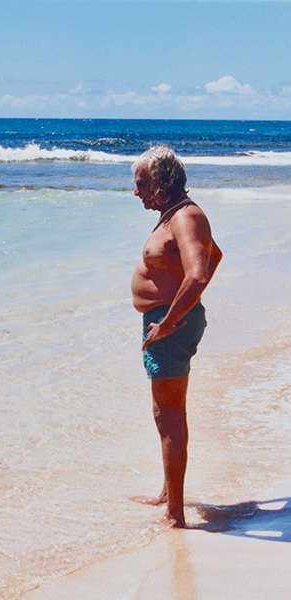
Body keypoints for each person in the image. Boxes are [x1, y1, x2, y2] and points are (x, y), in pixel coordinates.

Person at [129, 145, 223, 527]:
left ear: (162, 183)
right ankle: (169, 494)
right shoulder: (176, 216)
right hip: (166, 321)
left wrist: (169, 320)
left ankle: (175, 515)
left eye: (141, 183)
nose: (136, 192)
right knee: (162, 413)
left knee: (169, 416)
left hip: (169, 325)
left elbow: (198, 273)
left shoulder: (186, 217)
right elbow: (215, 256)